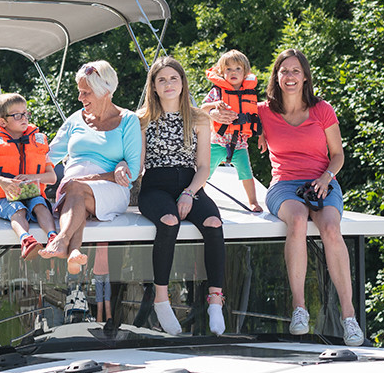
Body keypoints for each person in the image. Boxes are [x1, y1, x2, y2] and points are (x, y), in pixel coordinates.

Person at [242, 48, 363, 346]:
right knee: (297, 220)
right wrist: (249, 127)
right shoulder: (262, 111)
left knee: (331, 228)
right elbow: (226, 111)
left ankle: (349, 317)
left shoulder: (322, 109)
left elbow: (338, 155)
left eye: (296, 71)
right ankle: (299, 309)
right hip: (284, 184)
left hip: (322, 180)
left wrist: (326, 178)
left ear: (305, 76)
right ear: (276, 77)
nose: (290, 76)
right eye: (284, 71)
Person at [137, 57, 227, 336]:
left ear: (183, 82)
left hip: (190, 184)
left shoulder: (199, 118)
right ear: (153, 86)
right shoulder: (141, 119)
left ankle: (216, 300)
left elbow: (203, 167)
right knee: (169, 221)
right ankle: (161, 299)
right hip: (155, 186)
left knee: (213, 223)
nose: (168, 84)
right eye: (161, 79)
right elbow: (138, 164)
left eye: (173, 78)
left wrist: (189, 192)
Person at [43, 61, 142, 275]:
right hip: (74, 191)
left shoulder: (128, 120)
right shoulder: (75, 119)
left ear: (105, 91)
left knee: (76, 188)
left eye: (86, 92)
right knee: (76, 194)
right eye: (80, 92)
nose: (80, 98)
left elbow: (133, 172)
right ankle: (73, 251)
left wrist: (88, 179)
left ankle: (62, 240)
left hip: (111, 189)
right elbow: (48, 157)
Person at [0, 93, 58, 259]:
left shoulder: (38, 143)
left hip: (32, 194)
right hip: (4, 199)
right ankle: (26, 240)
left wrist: (32, 177)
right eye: (17, 115)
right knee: (17, 209)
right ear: (2, 122)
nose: (24, 118)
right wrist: (2, 181)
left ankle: (53, 237)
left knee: (40, 204)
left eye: (25, 113)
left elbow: (52, 178)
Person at [202, 50, 263, 212]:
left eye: (238, 69)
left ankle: (253, 202)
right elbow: (202, 108)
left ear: (245, 73)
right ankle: (196, 197)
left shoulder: (249, 92)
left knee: (246, 173)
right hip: (217, 142)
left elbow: (256, 117)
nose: (233, 72)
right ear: (222, 72)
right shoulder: (217, 91)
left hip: (240, 145)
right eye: (228, 69)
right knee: (204, 173)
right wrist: (214, 106)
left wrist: (261, 136)